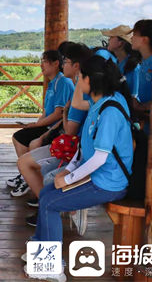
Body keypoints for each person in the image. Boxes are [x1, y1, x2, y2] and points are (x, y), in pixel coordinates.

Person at [22, 56, 133, 282]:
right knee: (45, 193)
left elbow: (100, 157)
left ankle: (51, 267)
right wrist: (68, 170)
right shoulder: (98, 103)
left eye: (80, 76)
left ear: (89, 81)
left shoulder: (109, 110)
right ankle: (41, 250)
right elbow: (84, 149)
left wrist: (71, 177)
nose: (76, 79)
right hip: (94, 174)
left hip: (108, 181)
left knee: (51, 203)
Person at [15, 44, 93, 232]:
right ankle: (46, 203)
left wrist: (65, 112)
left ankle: (51, 206)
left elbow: (69, 129)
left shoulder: (76, 88)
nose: (62, 65)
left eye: (65, 61)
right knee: (25, 157)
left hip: (73, 150)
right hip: (71, 146)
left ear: (76, 66)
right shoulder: (75, 85)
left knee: (46, 173)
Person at [6, 50, 74, 188]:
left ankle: (29, 177)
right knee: (19, 137)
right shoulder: (52, 83)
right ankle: (26, 175)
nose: (41, 65)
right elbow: (46, 111)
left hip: (57, 128)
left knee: (29, 142)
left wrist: (38, 126)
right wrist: (37, 124)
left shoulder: (63, 82)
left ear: (56, 63)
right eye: (41, 61)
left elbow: (58, 114)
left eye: (45, 61)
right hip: (48, 125)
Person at [130, 19, 152, 130]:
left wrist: (142, 107)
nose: (131, 38)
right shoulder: (143, 62)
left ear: (144, 39)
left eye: (135, 35)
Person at [103, 25, 141, 95]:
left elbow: (135, 97)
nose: (109, 39)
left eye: (111, 37)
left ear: (121, 43)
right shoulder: (114, 63)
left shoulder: (134, 68)